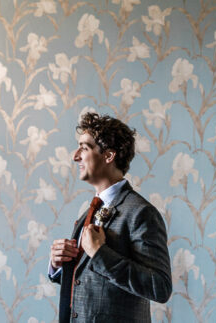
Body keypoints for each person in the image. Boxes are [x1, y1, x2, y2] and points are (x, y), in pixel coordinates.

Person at [48, 112, 172, 322]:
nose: (75, 155)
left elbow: (159, 287)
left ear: (108, 156)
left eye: (84, 148)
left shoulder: (141, 213)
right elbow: (85, 285)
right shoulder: (86, 214)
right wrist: (57, 264)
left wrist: (100, 253)